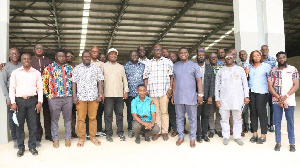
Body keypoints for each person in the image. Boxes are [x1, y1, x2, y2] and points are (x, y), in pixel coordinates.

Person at [9, 53, 43, 157]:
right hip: (19, 102)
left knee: (33, 125)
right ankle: (21, 147)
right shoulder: (15, 72)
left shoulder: (36, 73)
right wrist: (13, 102)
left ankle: (32, 147)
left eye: (28, 58)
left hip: (32, 100)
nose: (26, 60)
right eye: (24, 59)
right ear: (21, 60)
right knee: (19, 126)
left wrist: (39, 102)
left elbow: (40, 88)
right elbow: (12, 88)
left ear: (31, 60)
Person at [215, 52, 249, 145]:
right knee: (224, 118)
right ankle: (226, 136)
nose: (229, 58)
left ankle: (237, 136)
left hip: (238, 98)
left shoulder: (240, 70)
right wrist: (217, 99)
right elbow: (217, 86)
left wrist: (246, 96)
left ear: (234, 58)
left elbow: (245, 84)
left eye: (231, 56)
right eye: (227, 57)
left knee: (237, 118)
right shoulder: (220, 71)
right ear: (224, 58)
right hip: (224, 98)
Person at [71, 50, 104, 147]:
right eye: (85, 56)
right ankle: (82, 138)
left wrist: (100, 95)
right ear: (82, 58)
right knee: (81, 119)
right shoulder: (77, 68)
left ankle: (93, 137)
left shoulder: (96, 68)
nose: (87, 58)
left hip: (93, 97)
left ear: (90, 57)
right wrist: (74, 96)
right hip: (81, 97)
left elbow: (100, 82)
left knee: (93, 118)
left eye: (88, 56)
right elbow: (74, 83)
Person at [172, 47, 203, 148]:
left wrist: (200, 95)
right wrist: (173, 94)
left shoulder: (194, 66)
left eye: (185, 53)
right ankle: (181, 136)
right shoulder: (175, 66)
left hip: (191, 97)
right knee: (179, 117)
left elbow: (199, 81)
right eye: (181, 53)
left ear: (188, 54)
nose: (183, 54)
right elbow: (174, 81)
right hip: (179, 96)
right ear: (179, 55)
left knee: (192, 118)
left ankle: (192, 137)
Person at [268, 51, 299, 152]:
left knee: (290, 122)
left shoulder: (293, 69)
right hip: (276, 100)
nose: (281, 59)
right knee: (277, 122)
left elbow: (296, 85)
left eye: (283, 57)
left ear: (286, 58)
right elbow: (270, 86)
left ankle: (292, 143)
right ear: (277, 59)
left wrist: (285, 96)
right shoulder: (273, 70)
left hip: (289, 100)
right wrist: (278, 97)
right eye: (279, 58)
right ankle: (278, 143)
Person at [42, 49, 73, 148]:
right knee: (54, 119)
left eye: (63, 56)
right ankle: (55, 139)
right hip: (54, 98)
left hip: (67, 97)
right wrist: (48, 96)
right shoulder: (49, 68)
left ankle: (67, 138)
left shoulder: (70, 68)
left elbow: (75, 83)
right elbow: (44, 83)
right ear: (56, 57)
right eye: (59, 56)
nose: (61, 58)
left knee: (68, 119)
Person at [143, 44, 173, 141]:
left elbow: (171, 76)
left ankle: (165, 131)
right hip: (152, 92)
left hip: (164, 91)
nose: (158, 51)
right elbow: (145, 77)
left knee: (164, 112)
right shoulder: (149, 63)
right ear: (153, 51)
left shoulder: (167, 62)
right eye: (156, 50)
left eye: (160, 50)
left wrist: (170, 88)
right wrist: (147, 89)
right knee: (156, 112)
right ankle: (158, 132)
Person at [102, 48, 129, 142]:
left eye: (115, 54)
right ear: (108, 55)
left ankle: (120, 132)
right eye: (111, 54)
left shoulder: (121, 67)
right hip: (108, 94)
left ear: (117, 56)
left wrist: (126, 91)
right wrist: (101, 93)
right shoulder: (103, 66)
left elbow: (125, 80)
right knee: (108, 115)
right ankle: (109, 133)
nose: (113, 56)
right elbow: (100, 81)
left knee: (120, 114)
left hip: (119, 95)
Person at [246, 50, 271, 144]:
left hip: (262, 92)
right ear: (251, 58)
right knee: (253, 112)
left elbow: (270, 80)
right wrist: (246, 73)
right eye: (254, 56)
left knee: (261, 112)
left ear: (260, 56)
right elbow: (246, 80)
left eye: (258, 55)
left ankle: (263, 135)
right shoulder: (249, 67)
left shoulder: (266, 66)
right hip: (252, 92)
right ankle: (255, 133)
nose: (256, 57)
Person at [0, 48, 22, 149]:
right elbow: (3, 84)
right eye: (12, 53)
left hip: (21, 95)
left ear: (19, 55)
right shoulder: (5, 67)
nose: (15, 55)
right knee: (13, 118)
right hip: (11, 96)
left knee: (21, 117)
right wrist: (8, 98)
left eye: (16, 53)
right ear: (9, 55)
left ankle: (21, 137)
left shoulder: (22, 65)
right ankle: (15, 139)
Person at [31, 44, 52, 145]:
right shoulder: (30, 60)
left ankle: (48, 133)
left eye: (41, 49)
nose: (39, 50)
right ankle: (38, 134)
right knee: (36, 114)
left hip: (47, 92)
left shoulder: (48, 61)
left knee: (48, 114)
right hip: (34, 92)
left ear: (43, 50)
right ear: (34, 50)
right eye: (37, 48)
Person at [124, 50, 145, 138]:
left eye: (136, 55)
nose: (134, 56)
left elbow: (145, 78)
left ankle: (142, 129)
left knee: (142, 112)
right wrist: (125, 91)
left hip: (141, 94)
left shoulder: (143, 66)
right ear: (129, 57)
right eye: (132, 55)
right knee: (131, 113)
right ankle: (131, 129)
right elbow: (123, 80)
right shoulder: (125, 66)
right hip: (130, 94)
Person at [86, 46, 105, 139]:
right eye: (93, 51)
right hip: (87, 92)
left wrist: (101, 93)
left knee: (98, 112)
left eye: (97, 52)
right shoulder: (85, 63)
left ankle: (98, 130)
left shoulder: (102, 64)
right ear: (90, 52)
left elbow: (102, 80)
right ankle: (87, 131)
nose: (95, 53)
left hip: (98, 92)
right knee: (87, 113)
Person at [196, 47, 215, 143]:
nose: (201, 57)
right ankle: (198, 134)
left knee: (205, 116)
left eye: (202, 55)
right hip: (196, 97)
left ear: (205, 57)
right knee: (196, 116)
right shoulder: (193, 67)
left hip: (207, 96)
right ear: (197, 56)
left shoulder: (209, 68)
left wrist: (211, 96)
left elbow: (212, 83)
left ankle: (204, 134)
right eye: (199, 55)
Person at [261, 45, 277, 132]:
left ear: (268, 50)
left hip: (271, 87)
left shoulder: (273, 60)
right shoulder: (259, 60)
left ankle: (271, 124)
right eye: (263, 49)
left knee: (272, 107)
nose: (264, 51)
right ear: (261, 50)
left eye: (266, 49)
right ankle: (265, 124)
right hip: (262, 87)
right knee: (263, 107)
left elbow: (276, 72)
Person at [208, 52, 222, 138]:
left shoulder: (222, 68)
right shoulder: (207, 68)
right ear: (209, 59)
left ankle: (219, 129)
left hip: (220, 94)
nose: (213, 59)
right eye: (212, 57)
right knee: (210, 112)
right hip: (210, 94)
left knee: (219, 112)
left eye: (215, 57)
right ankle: (212, 130)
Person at [66, 50, 78, 138]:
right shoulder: (61, 67)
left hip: (73, 93)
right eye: (68, 56)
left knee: (72, 114)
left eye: (71, 56)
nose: (69, 58)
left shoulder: (75, 67)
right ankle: (67, 132)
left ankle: (72, 131)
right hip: (63, 94)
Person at [238, 50, 250, 133]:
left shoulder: (251, 64)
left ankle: (248, 125)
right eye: (241, 55)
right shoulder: (238, 65)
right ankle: (244, 125)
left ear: (247, 55)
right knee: (243, 108)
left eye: (244, 54)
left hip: (251, 88)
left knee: (251, 109)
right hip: (241, 89)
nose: (242, 56)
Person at [168, 51, 178, 136]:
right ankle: (174, 128)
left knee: (181, 112)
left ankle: (182, 128)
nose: (172, 58)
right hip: (171, 91)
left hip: (181, 92)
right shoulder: (167, 66)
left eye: (173, 56)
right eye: (170, 56)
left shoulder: (179, 65)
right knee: (172, 112)